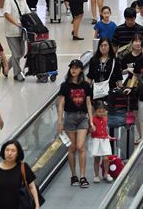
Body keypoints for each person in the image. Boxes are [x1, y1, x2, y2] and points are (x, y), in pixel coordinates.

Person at [57, 59, 94, 188]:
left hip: (82, 117)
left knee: (80, 147)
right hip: (69, 118)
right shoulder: (65, 86)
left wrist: (91, 120)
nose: (74, 70)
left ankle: (83, 176)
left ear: (81, 70)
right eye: (72, 67)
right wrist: (60, 121)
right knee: (71, 148)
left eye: (76, 68)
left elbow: (89, 103)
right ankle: (74, 175)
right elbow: (61, 104)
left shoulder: (85, 85)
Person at [0, 139, 40, 209]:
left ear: (18, 153)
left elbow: (32, 187)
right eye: (7, 150)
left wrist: (37, 205)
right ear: (3, 151)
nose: (9, 153)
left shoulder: (23, 167)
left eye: (13, 151)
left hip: (19, 206)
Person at [3, 0, 31, 82]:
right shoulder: (9, 0)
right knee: (16, 53)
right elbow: (6, 14)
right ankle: (17, 74)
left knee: (20, 53)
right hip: (11, 32)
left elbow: (28, 13)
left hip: (22, 32)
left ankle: (6, 67)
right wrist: (16, 23)